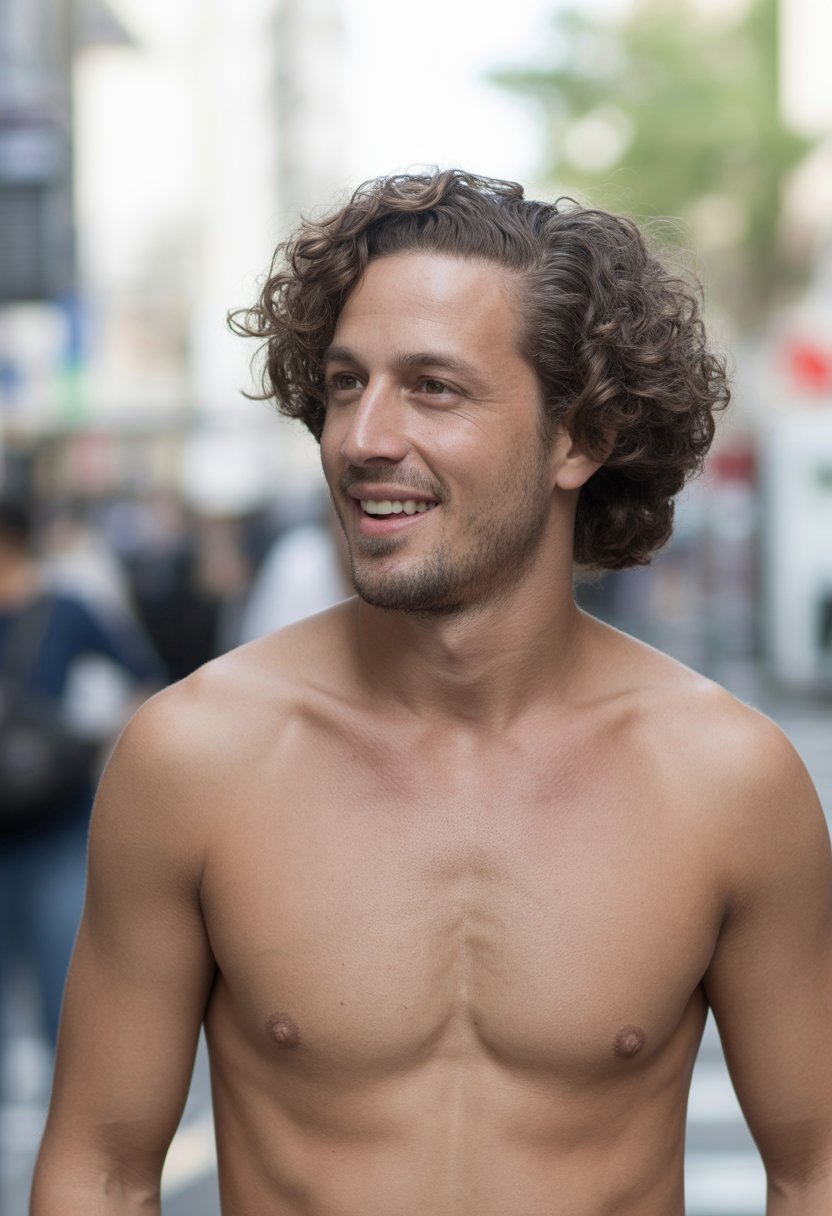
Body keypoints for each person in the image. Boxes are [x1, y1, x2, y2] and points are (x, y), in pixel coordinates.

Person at [32, 170, 832, 1215]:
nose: (362, 438)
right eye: (346, 383)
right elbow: (99, 1169)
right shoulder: (197, 755)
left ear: (577, 438)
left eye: (433, 387)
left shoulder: (723, 777)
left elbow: (815, 1166)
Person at [0, 496, 163, 1054]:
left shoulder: (65, 608)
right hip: (47, 823)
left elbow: (145, 679)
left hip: (58, 829)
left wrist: (90, 747)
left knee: (63, 1003)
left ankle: (64, 1138)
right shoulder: (65, 606)